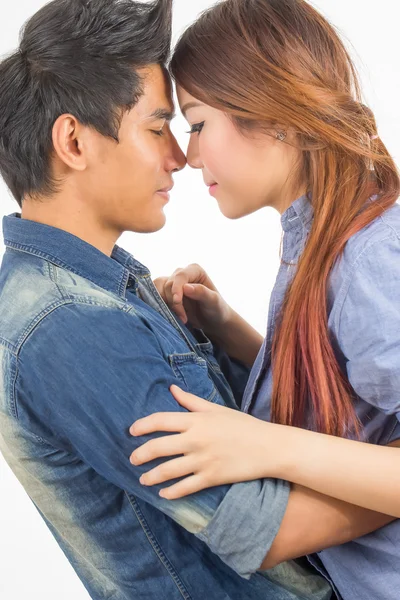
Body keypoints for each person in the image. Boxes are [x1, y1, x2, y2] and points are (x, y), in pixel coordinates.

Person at [0, 1, 334, 599]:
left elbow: (248, 440)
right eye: (158, 128)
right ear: (73, 140)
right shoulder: (70, 326)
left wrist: (223, 333)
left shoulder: (103, 285)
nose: (180, 158)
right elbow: (266, 530)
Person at [129, 1, 400, 599]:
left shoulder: (370, 258)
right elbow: (359, 415)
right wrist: (232, 332)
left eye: (197, 124)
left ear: (274, 117)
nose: (190, 155)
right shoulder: (325, 239)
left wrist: (265, 447)